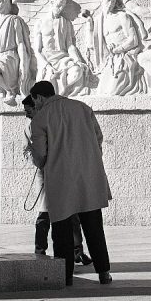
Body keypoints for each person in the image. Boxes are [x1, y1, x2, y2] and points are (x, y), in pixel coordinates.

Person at [28, 81, 112, 286]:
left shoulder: (40, 119)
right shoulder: (82, 108)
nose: (35, 105)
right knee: (94, 228)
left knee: (61, 231)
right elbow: (98, 138)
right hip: (88, 177)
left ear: (39, 98)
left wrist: (39, 160)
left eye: (34, 100)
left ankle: (65, 276)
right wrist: (89, 159)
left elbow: (40, 155)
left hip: (60, 180)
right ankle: (104, 273)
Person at [21, 95, 93, 266]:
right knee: (45, 212)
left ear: (37, 106)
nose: (26, 115)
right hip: (46, 172)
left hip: (62, 171)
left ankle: (76, 251)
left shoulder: (50, 119)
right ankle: (41, 251)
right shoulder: (31, 126)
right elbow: (29, 151)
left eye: (28, 110)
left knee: (70, 211)